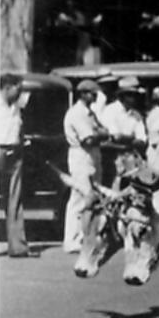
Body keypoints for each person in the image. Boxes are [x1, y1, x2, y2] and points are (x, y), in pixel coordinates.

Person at [61, 79, 110, 254]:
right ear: (83, 94)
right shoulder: (76, 113)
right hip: (80, 155)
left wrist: (100, 134)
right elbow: (88, 138)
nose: (95, 96)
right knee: (79, 198)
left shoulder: (90, 113)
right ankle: (71, 239)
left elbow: (104, 131)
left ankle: (84, 236)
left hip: (93, 155)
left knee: (92, 198)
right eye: (92, 93)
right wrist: (100, 134)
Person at [0, 73, 29, 257]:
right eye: (18, 89)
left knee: (15, 199)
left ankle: (17, 245)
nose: (20, 93)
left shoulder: (16, 107)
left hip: (15, 151)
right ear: (7, 87)